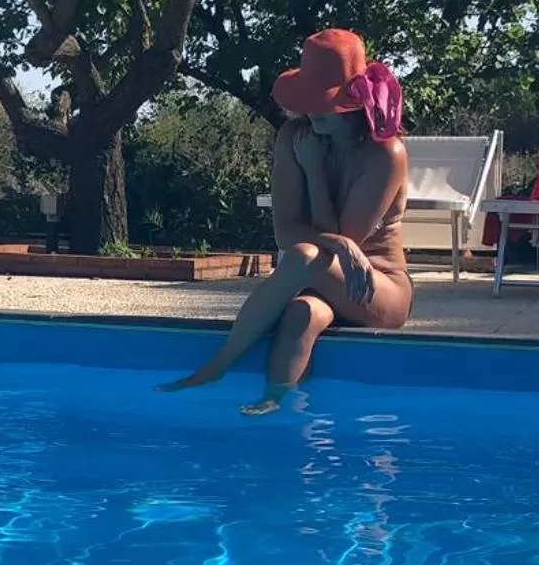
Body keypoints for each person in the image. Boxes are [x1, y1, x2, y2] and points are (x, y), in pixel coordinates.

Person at [160, 29, 411, 414]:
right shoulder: (295, 136)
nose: (311, 113)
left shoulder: (385, 154)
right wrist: (337, 243)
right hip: (317, 271)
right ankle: (274, 404)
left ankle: (219, 363)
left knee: (307, 256)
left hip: (374, 286)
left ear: (353, 103)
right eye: (307, 102)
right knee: (299, 315)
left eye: (321, 103)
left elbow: (344, 240)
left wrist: (314, 174)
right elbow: (285, 230)